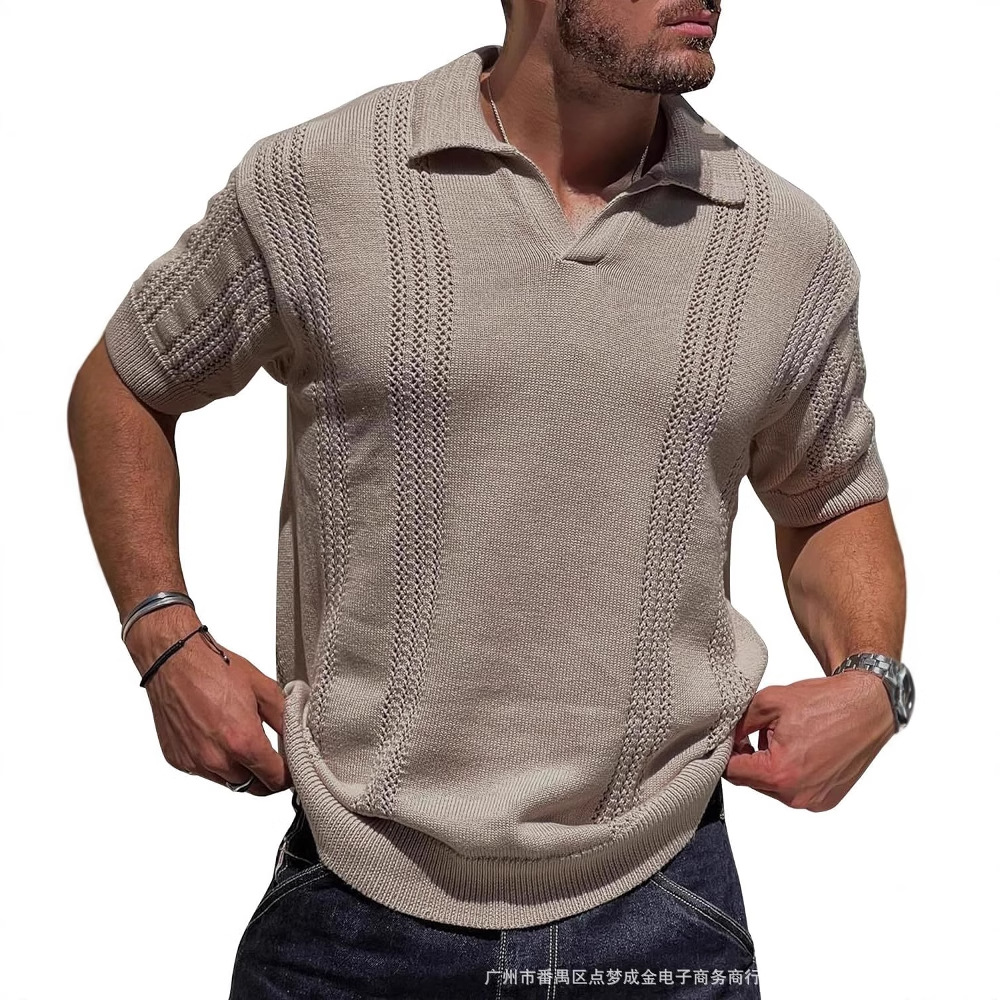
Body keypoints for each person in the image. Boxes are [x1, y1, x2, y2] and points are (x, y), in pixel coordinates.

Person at [67, 0, 914, 996]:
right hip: (352, 909)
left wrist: (873, 680)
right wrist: (165, 638)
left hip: (663, 901)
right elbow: (126, 385)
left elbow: (828, 492)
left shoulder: (784, 243)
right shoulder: (319, 181)